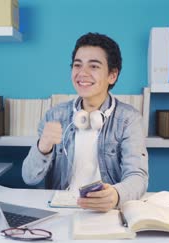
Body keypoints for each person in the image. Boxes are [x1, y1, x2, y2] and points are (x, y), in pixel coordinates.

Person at [22, 32, 148, 212]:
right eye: (77, 65)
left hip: (107, 212)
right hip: (61, 210)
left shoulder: (129, 119)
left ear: (112, 75)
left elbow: (138, 176)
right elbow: (29, 177)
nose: (82, 73)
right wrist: (43, 147)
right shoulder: (55, 115)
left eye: (94, 66)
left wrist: (116, 195)